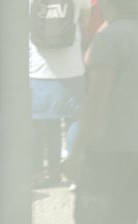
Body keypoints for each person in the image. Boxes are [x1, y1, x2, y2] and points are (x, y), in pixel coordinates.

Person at [65, 0, 138, 224]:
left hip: (108, 146)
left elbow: (96, 98)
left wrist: (77, 152)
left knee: (88, 223)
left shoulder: (109, 37)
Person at [29, 0, 91, 188]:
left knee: (37, 121)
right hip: (72, 67)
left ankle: (37, 173)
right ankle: (74, 174)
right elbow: (85, 21)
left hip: (38, 67)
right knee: (73, 118)